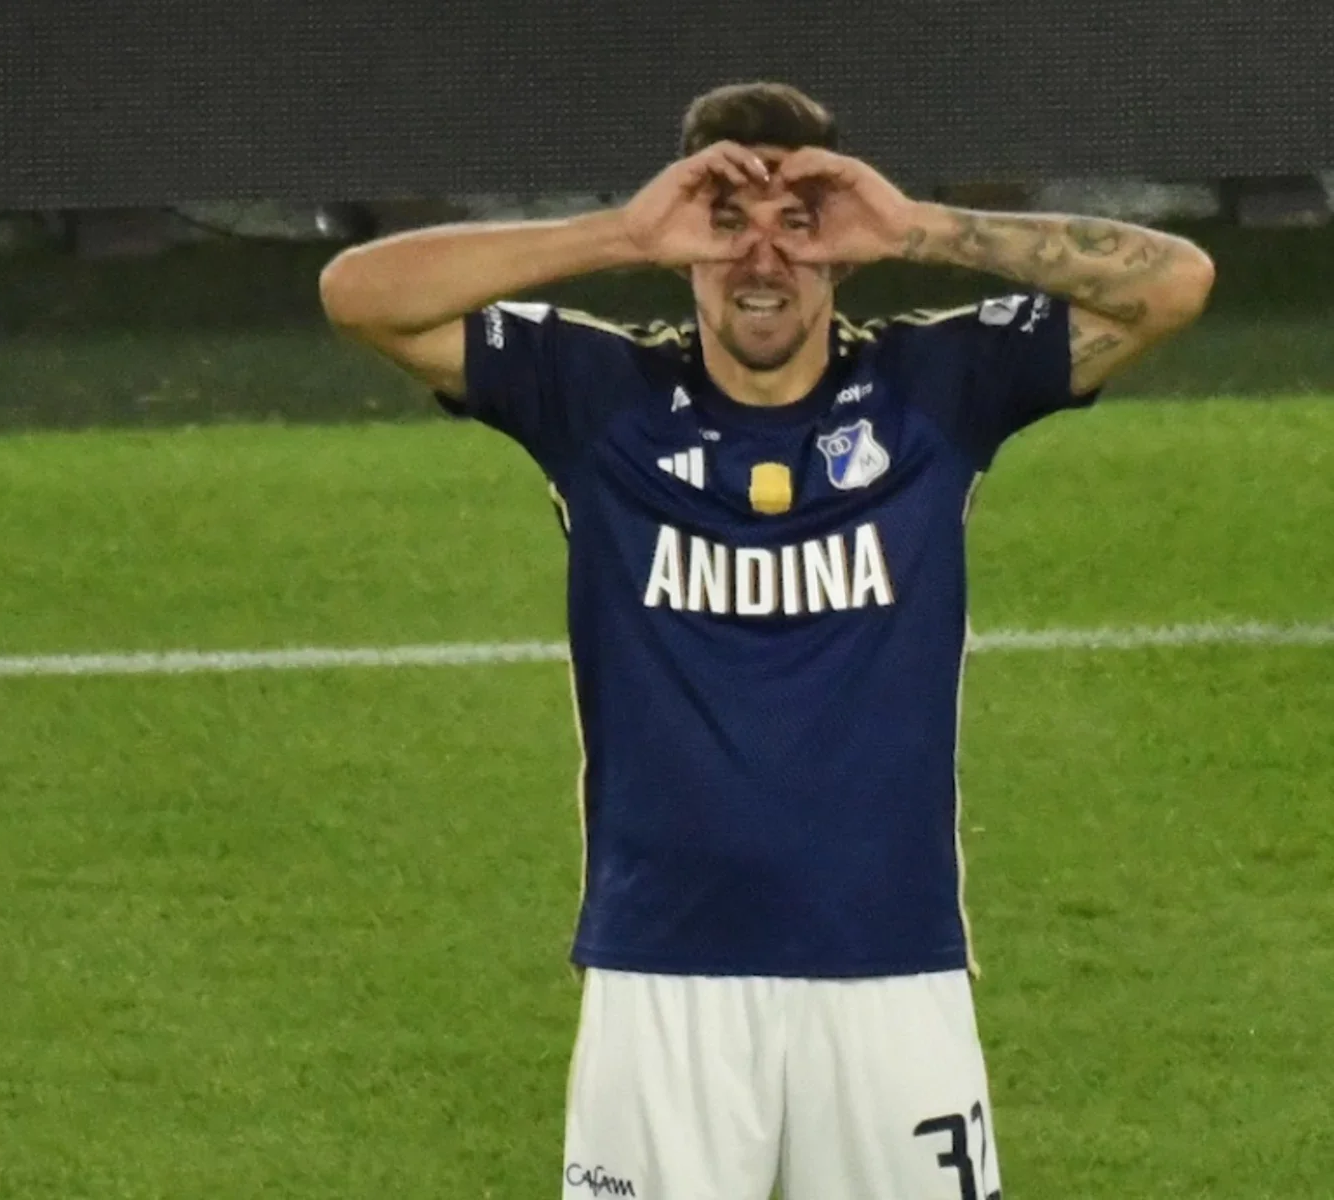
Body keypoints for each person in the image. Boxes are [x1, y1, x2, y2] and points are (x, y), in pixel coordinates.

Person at [320, 81, 1213, 1200]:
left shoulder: (932, 392)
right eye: (726, 222)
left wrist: (920, 227)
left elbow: (1176, 284)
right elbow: (359, 295)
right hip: (661, 972)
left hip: (888, 967)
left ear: (842, 249)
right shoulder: (599, 399)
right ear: (683, 242)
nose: (763, 260)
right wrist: (621, 233)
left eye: (799, 225)